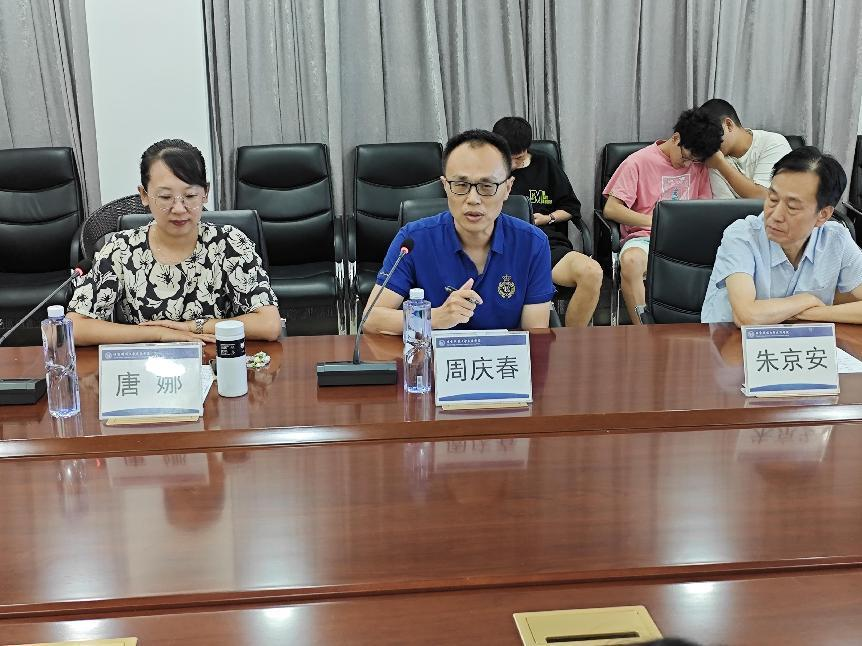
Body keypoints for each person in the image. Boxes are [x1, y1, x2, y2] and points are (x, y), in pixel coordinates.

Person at [67, 139, 281, 345]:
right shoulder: (121, 248)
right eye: (165, 197)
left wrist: (192, 327)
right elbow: (74, 326)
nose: (179, 209)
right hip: (148, 364)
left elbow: (268, 324)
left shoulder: (230, 243)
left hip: (216, 361)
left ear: (205, 193)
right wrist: (158, 334)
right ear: (144, 195)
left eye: (190, 196)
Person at [363, 129, 554, 333]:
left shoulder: (533, 243)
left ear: (508, 188)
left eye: (487, 185)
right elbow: (371, 320)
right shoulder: (413, 240)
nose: (473, 199)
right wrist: (435, 317)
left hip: (503, 354)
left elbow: (535, 333)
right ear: (445, 186)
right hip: (434, 354)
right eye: (461, 185)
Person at [702, 146, 862, 325]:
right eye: (773, 199)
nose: (775, 215)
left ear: (823, 215)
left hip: (799, 341)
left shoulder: (836, 239)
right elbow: (746, 316)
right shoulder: (742, 235)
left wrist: (814, 313)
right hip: (729, 339)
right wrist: (806, 300)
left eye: (792, 207)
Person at [603, 108, 722, 324]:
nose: (688, 165)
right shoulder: (637, 162)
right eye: (686, 158)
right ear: (676, 138)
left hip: (687, 240)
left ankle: (706, 329)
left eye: (695, 161)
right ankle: (644, 332)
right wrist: (655, 222)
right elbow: (611, 209)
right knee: (630, 262)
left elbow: (705, 210)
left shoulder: (699, 166)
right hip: (646, 239)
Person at [492, 117, 602, 327]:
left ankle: (571, 340)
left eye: (519, 158)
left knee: (592, 272)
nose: (514, 165)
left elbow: (571, 207)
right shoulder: (485, 171)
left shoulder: (545, 164)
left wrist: (548, 218)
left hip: (546, 245)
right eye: (508, 159)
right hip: (498, 247)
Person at [698, 98, 792, 200]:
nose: (710, 144)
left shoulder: (774, 142)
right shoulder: (715, 159)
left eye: (712, 136)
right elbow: (725, 207)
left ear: (729, 125)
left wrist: (721, 165)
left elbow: (763, 197)